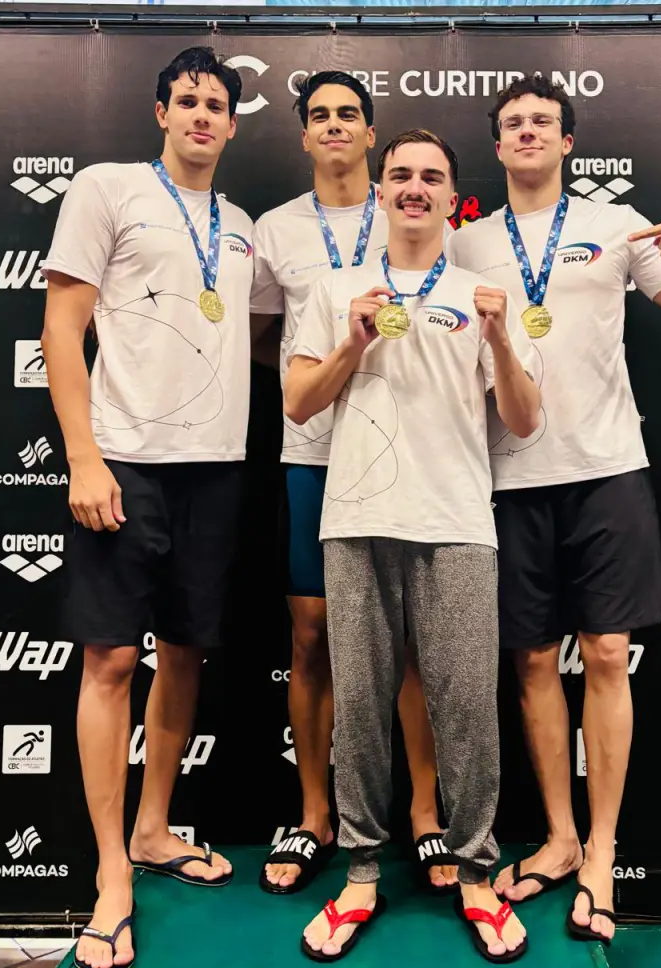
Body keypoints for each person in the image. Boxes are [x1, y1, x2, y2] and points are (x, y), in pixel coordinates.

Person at [446, 75, 661, 945]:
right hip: (506, 476)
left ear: (568, 142)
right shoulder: (464, 246)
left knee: (605, 653)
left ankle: (603, 852)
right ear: (496, 147)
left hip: (607, 468)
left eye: (543, 121)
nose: (528, 132)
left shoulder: (616, 227)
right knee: (533, 662)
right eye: (513, 124)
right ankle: (559, 840)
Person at [284, 129, 541, 962]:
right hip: (356, 519)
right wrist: (352, 344)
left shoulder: (484, 291)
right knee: (358, 704)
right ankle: (360, 874)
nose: (415, 188)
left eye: (432, 177)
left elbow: (526, 420)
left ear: (452, 195)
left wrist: (500, 339)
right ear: (382, 189)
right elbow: (295, 404)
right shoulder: (332, 288)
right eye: (400, 175)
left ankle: (474, 873)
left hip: (458, 520)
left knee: (466, 707)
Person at [40, 47, 253, 968]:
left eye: (216, 105)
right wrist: (83, 458)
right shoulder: (108, 188)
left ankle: (156, 829)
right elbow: (60, 326)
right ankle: (110, 875)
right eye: (188, 101)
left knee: (182, 655)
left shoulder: (241, 226)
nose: (202, 115)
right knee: (111, 659)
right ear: (159, 110)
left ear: (233, 125)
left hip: (216, 470)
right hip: (124, 463)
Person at [251, 73, 456, 895]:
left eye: (348, 115)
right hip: (312, 452)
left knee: (408, 638)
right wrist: (330, 374)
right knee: (310, 636)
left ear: (372, 137)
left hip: (411, 455)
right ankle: (314, 815)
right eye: (318, 116)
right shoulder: (274, 229)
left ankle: (425, 816)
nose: (333, 125)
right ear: (301, 135)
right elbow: (264, 339)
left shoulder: (412, 205)